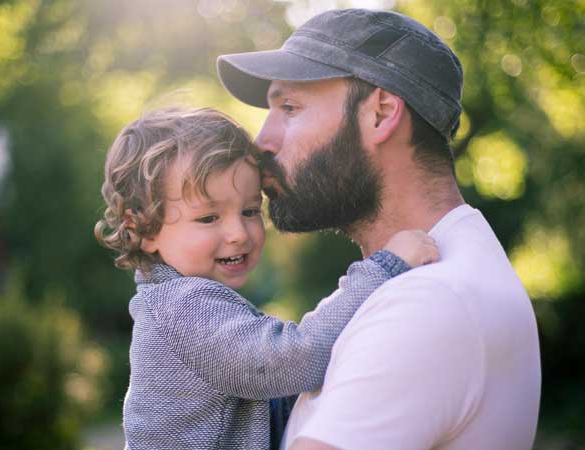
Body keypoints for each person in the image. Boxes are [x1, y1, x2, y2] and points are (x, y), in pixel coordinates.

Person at [217, 8, 542, 450]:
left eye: (289, 107)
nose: (262, 142)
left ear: (381, 114)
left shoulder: (430, 301)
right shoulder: (430, 276)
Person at [94, 107, 440, 449]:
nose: (238, 234)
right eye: (209, 218)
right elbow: (295, 359)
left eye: (249, 211)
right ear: (141, 228)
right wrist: (384, 267)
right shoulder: (185, 306)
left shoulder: (175, 300)